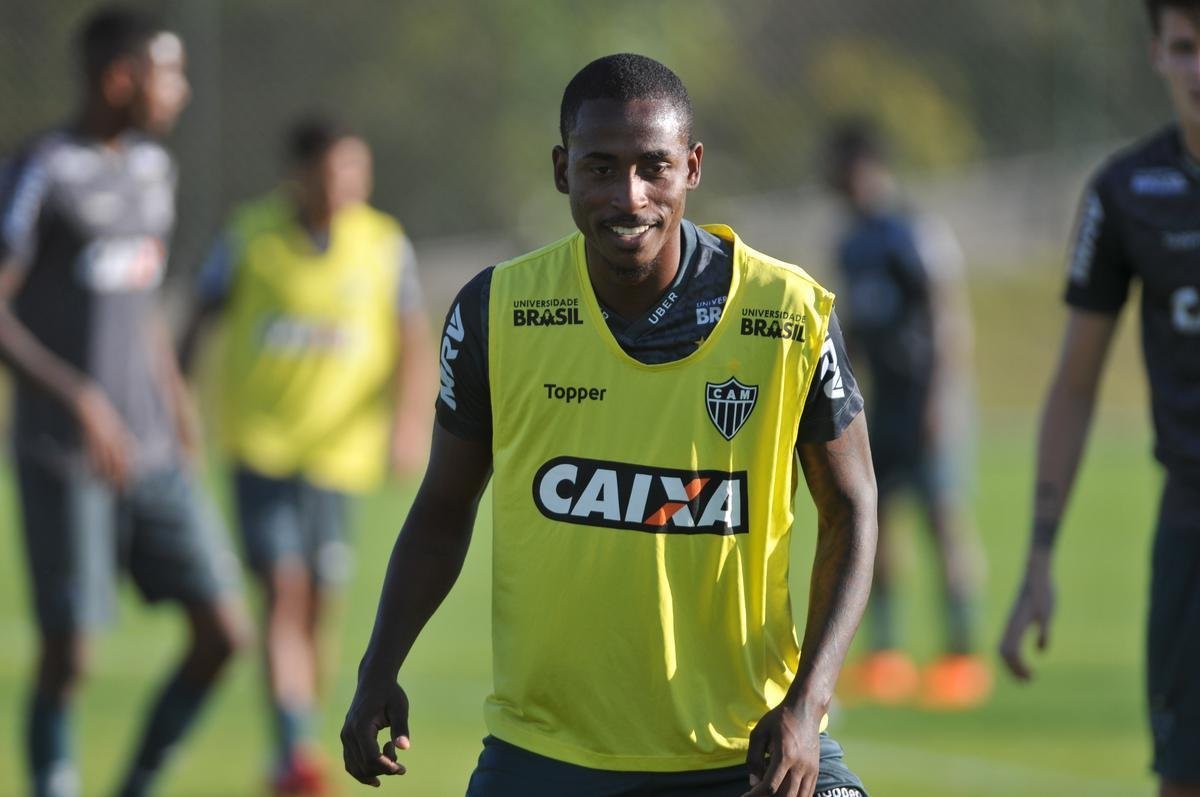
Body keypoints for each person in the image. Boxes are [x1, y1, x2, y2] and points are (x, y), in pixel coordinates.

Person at [341, 53, 878, 797]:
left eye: (653, 167)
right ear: (563, 171)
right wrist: (379, 669)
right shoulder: (497, 312)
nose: (629, 196)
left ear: (691, 167)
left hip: (745, 751)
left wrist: (807, 703)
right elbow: (441, 509)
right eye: (600, 167)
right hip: (549, 755)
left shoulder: (788, 316)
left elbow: (852, 507)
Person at [0, 7, 250, 797]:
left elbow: (138, 304)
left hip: (153, 451)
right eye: (166, 74)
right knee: (71, 652)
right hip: (65, 450)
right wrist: (78, 398)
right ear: (119, 78)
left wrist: (176, 403)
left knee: (223, 632)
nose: (178, 90)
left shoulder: (153, 171)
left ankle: (136, 783)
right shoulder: (43, 167)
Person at [181, 116, 435, 795]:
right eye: (329, 174)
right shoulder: (249, 235)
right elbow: (196, 322)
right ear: (298, 174)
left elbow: (413, 338)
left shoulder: (384, 244)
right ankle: (294, 751)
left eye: (355, 173)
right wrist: (179, 407)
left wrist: (408, 421)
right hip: (260, 447)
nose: (342, 187)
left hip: (340, 458)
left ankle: (298, 742)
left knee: (321, 602)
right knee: (283, 589)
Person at [999, 2, 1200, 794]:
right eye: (1186, 48)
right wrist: (1039, 554)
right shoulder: (1125, 191)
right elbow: (1075, 383)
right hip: (1191, 520)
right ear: (1156, 52)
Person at [824, 120, 989, 710]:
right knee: (877, 522)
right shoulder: (849, 242)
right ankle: (887, 653)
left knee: (944, 520)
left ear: (871, 168)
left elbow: (947, 315)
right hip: (881, 406)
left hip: (927, 402)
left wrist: (942, 401)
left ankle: (962, 653)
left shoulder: (912, 231)